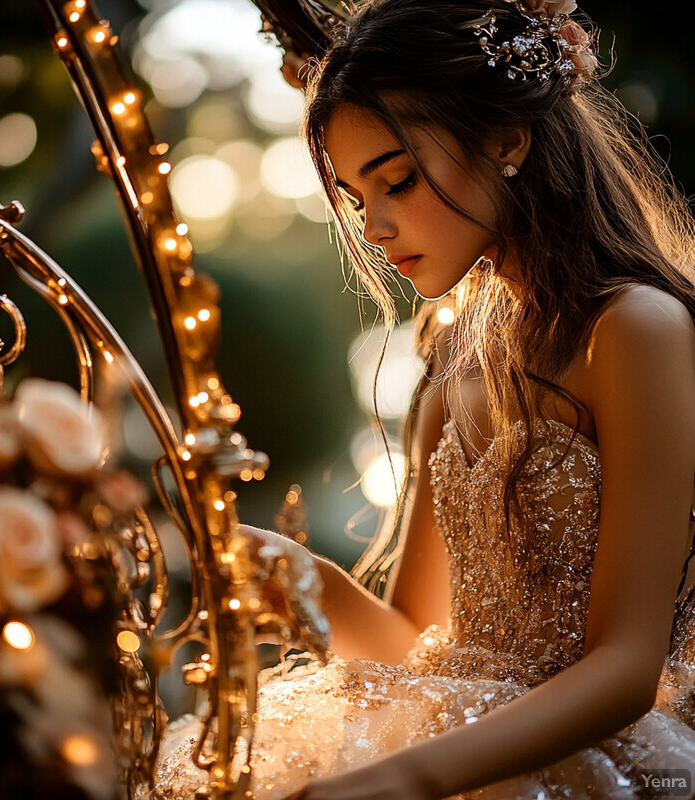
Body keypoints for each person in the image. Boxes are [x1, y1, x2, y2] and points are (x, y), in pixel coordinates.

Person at [154, 0, 695, 797]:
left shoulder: (634, 330)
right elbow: (412, 640)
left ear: (507, 139)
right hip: (453, 744)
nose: (374, 225)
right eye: (356, 197)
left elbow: (623, 670)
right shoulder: (453, 364)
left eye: (397, 180)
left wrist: (401, 780)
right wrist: (303, 578)